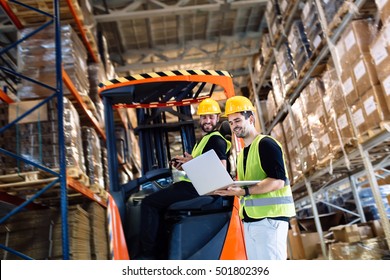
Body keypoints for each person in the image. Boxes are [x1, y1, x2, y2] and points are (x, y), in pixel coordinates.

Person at [137, 98, 231, 259]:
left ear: (217, 118)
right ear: (199, 119)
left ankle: (147, 256)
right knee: (159, 206)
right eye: (204, 117)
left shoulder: (216, 140)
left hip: (199, 189)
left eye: (211, 117)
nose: (207, 121)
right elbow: (202, 167)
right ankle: (159, 252)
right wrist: (185, 165)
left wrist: (192, 163)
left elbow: (220, 172)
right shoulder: (203, 141)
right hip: (195, 185)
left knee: (149, 203)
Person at [214, 96, 295, 260]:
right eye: (230, 123)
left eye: (237, 120)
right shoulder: (243, 152)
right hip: (251, 221)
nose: (234, 126)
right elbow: (248, 183)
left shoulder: (266, 144)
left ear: (251, 119)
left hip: (270, 220)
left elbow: (278, 181)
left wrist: (244, 191)